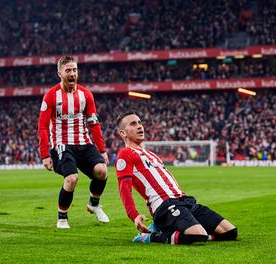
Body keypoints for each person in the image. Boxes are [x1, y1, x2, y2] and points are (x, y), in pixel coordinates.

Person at [115, 111, 238, 244]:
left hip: (184, 201)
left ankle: (168, 230)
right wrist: (134, 215)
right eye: (133, 124)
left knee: (230, 232)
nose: (139, 126)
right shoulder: (125, 154)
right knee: (198, 236)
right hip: (164, 205)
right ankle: (152, 236)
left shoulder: (151, 154)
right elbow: (124, 188)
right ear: (123, 133)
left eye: (140, 122)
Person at [38, 56, 109, 229]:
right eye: (68, 70)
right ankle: (62, 218)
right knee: (71, 179)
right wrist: (45, 155)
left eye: (74, 70)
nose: (72, 73)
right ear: (59, 73)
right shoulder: (51, 96)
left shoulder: (86, 95)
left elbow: (94, 123)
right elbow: (42, 127)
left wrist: (102, 149)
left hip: (83, 143)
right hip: (62, 144)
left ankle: (94, 204)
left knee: (102, 171)